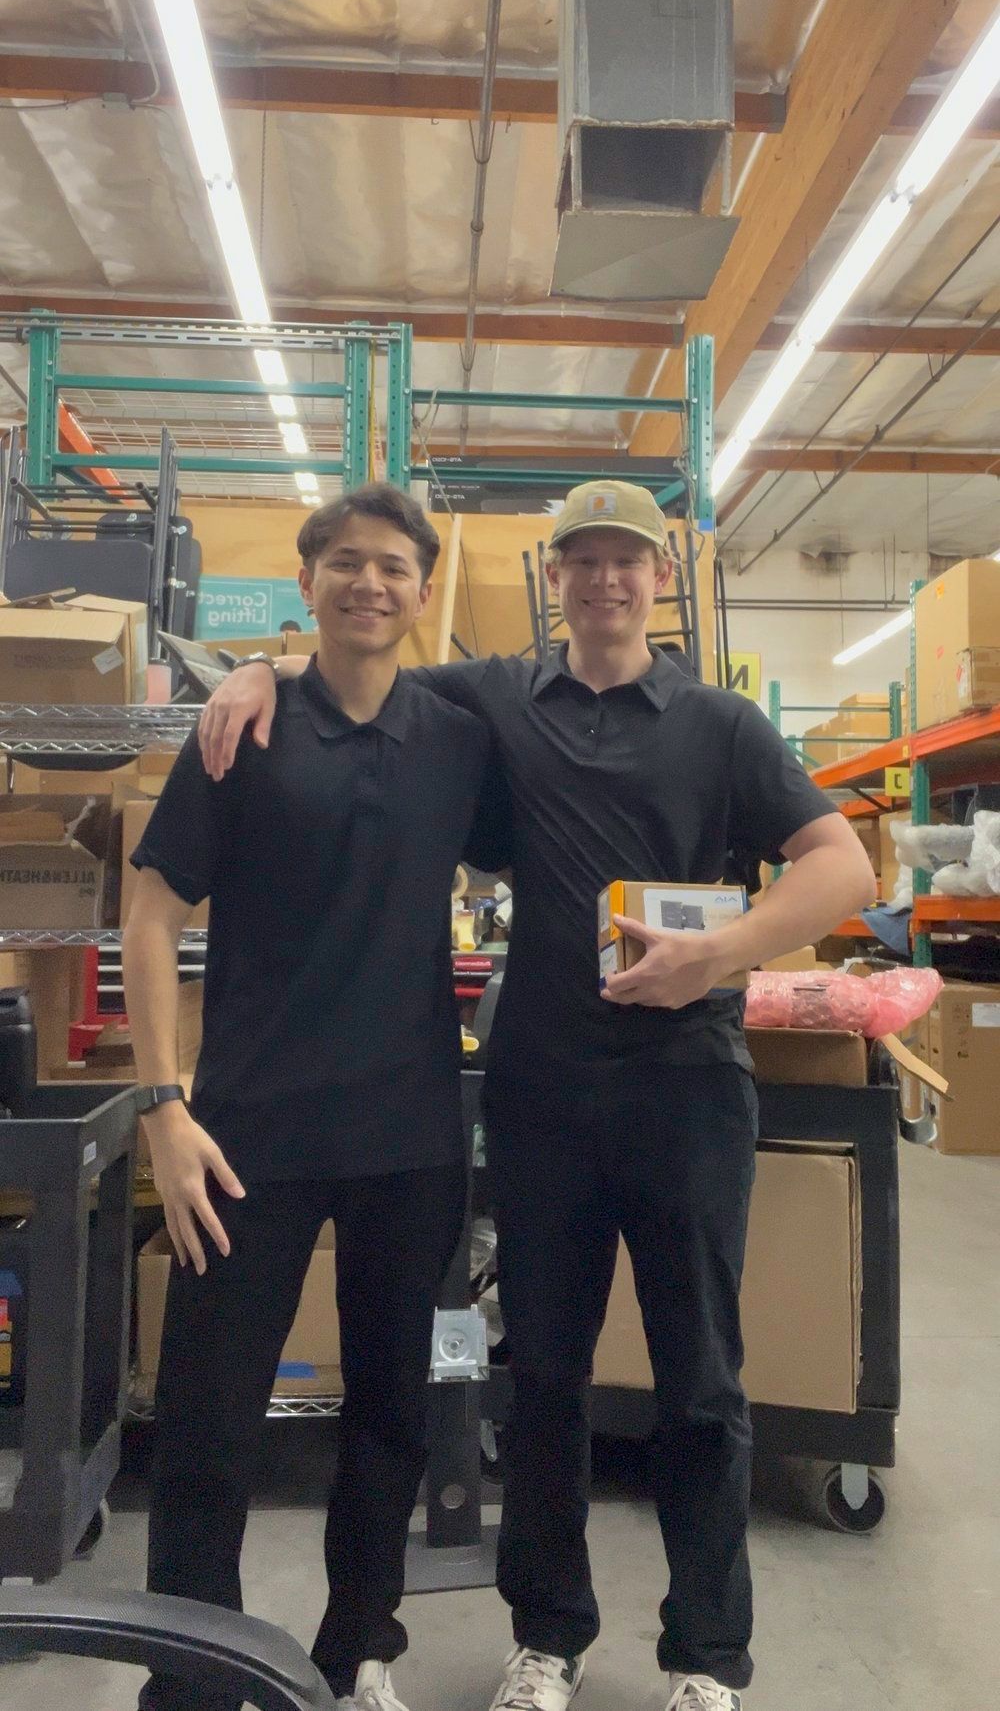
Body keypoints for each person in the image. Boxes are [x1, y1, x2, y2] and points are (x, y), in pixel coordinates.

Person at [199, 480, 876, 1711]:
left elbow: (843, 862)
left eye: (628, 561)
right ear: (549, 577)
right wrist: (262, 666)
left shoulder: (721, 724)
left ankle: (707, 1655)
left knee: (703, 1380)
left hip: (687, 1090)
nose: (605, 581)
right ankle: (548, 1638)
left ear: (660, 578)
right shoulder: (497, 696)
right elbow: (364, 653)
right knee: (547, 1374)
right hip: (544, 1089)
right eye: (582, 561)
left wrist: (720, 955)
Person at [122, 482, 501, 1711]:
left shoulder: (453, 733)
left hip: (407, 1136)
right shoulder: (247, 726)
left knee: (392, 1416)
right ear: (308, 582)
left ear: (420, 588)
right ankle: (193, 1678)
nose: (369, 584)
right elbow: (149, 905)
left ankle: (357, 1653)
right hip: (247, 1138)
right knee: (206, 1428)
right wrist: (160, 1105)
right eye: (344, 563)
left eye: (392, 566)